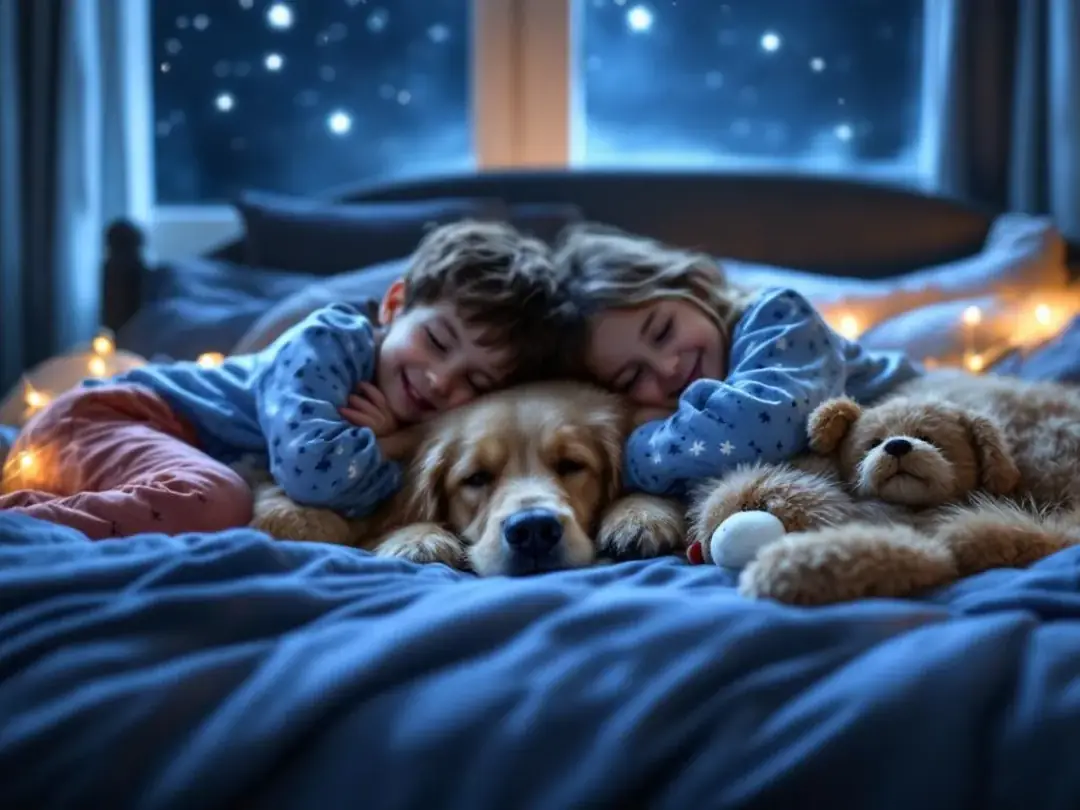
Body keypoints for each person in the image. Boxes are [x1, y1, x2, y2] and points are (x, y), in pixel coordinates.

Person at [0, 220, 569, 538]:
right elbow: (311, 472)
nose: (441, 380)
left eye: (474, 381)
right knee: (216, 499)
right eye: (439, 341)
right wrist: (390, 447)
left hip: (136, 453)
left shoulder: (407, 399)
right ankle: (20, 532)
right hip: (116, 415)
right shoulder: (327, 341)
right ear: (395, 306)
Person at [556, 224, 922, 498]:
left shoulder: (778, 315)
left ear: (694, 287)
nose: (668, 368)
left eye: (663, 331)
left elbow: (765, 430)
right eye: (632, 376)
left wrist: (630, 452)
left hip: (925, 413)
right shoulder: (684, 422)